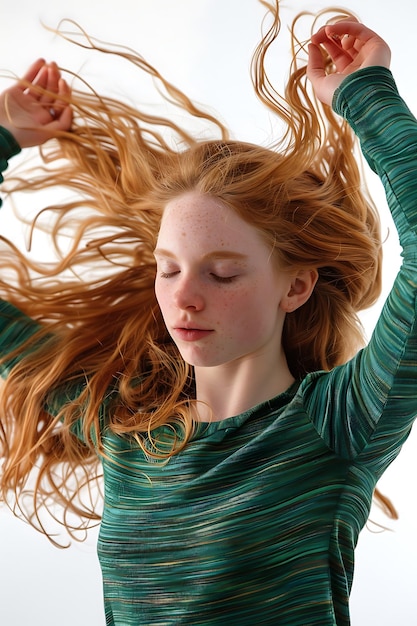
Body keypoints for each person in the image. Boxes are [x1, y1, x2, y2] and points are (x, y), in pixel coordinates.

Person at [0, 1, 415, 624]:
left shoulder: (340, 422)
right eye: (168, 268)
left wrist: (366, 94)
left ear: (296, 286)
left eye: (222, 273)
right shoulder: (123, 428)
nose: (184, 298)